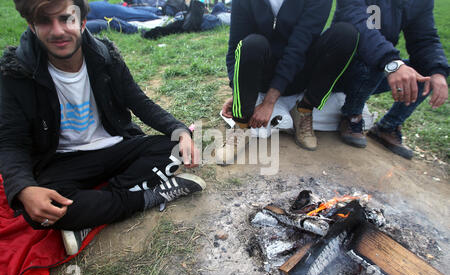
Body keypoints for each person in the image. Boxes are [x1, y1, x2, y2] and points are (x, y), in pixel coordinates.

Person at [0, 0, 206, 255]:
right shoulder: (16, 72)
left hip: (114, 145)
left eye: (66, 19)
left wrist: (180, 130)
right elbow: (11, 141)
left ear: (83, 21)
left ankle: (90, 212)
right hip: (61, 162)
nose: (57, 30)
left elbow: (140, 102)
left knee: (175, 147)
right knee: (38, 211)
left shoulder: (105, 56)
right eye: (45, 21)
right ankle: (150, 196)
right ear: (32, 26)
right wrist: (23, 188)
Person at [219, 0, 359, 162]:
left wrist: (269, 101)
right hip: (263, 71)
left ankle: (304, 110)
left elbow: (298, 48)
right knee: (252, 43)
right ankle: (241, 125)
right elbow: (235, 47)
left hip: (300, 71)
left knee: (346, 34)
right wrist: (238, 90)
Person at [334, 0, 449, 159]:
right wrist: (392, 62)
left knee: (426, 71)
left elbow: (424, 38)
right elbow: (359, 23)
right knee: (375, 55)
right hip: (340, 64)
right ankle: (351, 115)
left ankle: (388, 127)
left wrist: (438, 70)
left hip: (377, 67)